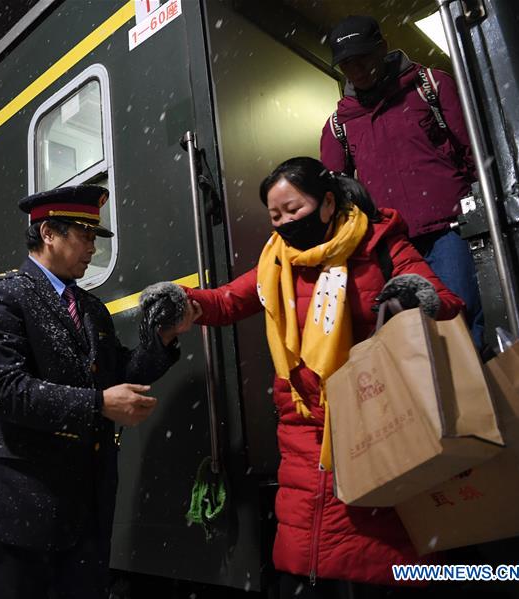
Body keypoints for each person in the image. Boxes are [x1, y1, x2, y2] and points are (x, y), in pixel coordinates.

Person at [178, 157, 464, 596]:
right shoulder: (278, 261)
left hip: (380, 420)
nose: (286, 223)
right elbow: (226, 301)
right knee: (308, 555)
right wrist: (181, 301)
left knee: (389, 562)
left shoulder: (379, 244)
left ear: (328, 202)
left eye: (294, 210)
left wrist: (411, 297)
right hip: (304, 432)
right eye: (275, 216)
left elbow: (441, 299)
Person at [0, 185, 197, 599]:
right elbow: (8, 391)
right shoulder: (2, 296)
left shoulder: (90, 308)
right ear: (49, 232)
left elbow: (119, 372)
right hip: (24, 507)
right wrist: (98, 404)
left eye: (94, 238)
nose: (93, 248)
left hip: (86, 504)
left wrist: (162, 338)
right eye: (85, 236)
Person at [320, 15, 483, 349]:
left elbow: (474, 152)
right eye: (348, 64)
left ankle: (473, 395)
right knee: (408, 340)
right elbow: (333, 196)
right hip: (390, 245)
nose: (359, 69)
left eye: (364, 57)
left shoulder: (430, 85)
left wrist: (457, 197)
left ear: (382, 47)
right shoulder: (339, 124)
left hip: (446, 230)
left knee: (459, 322)